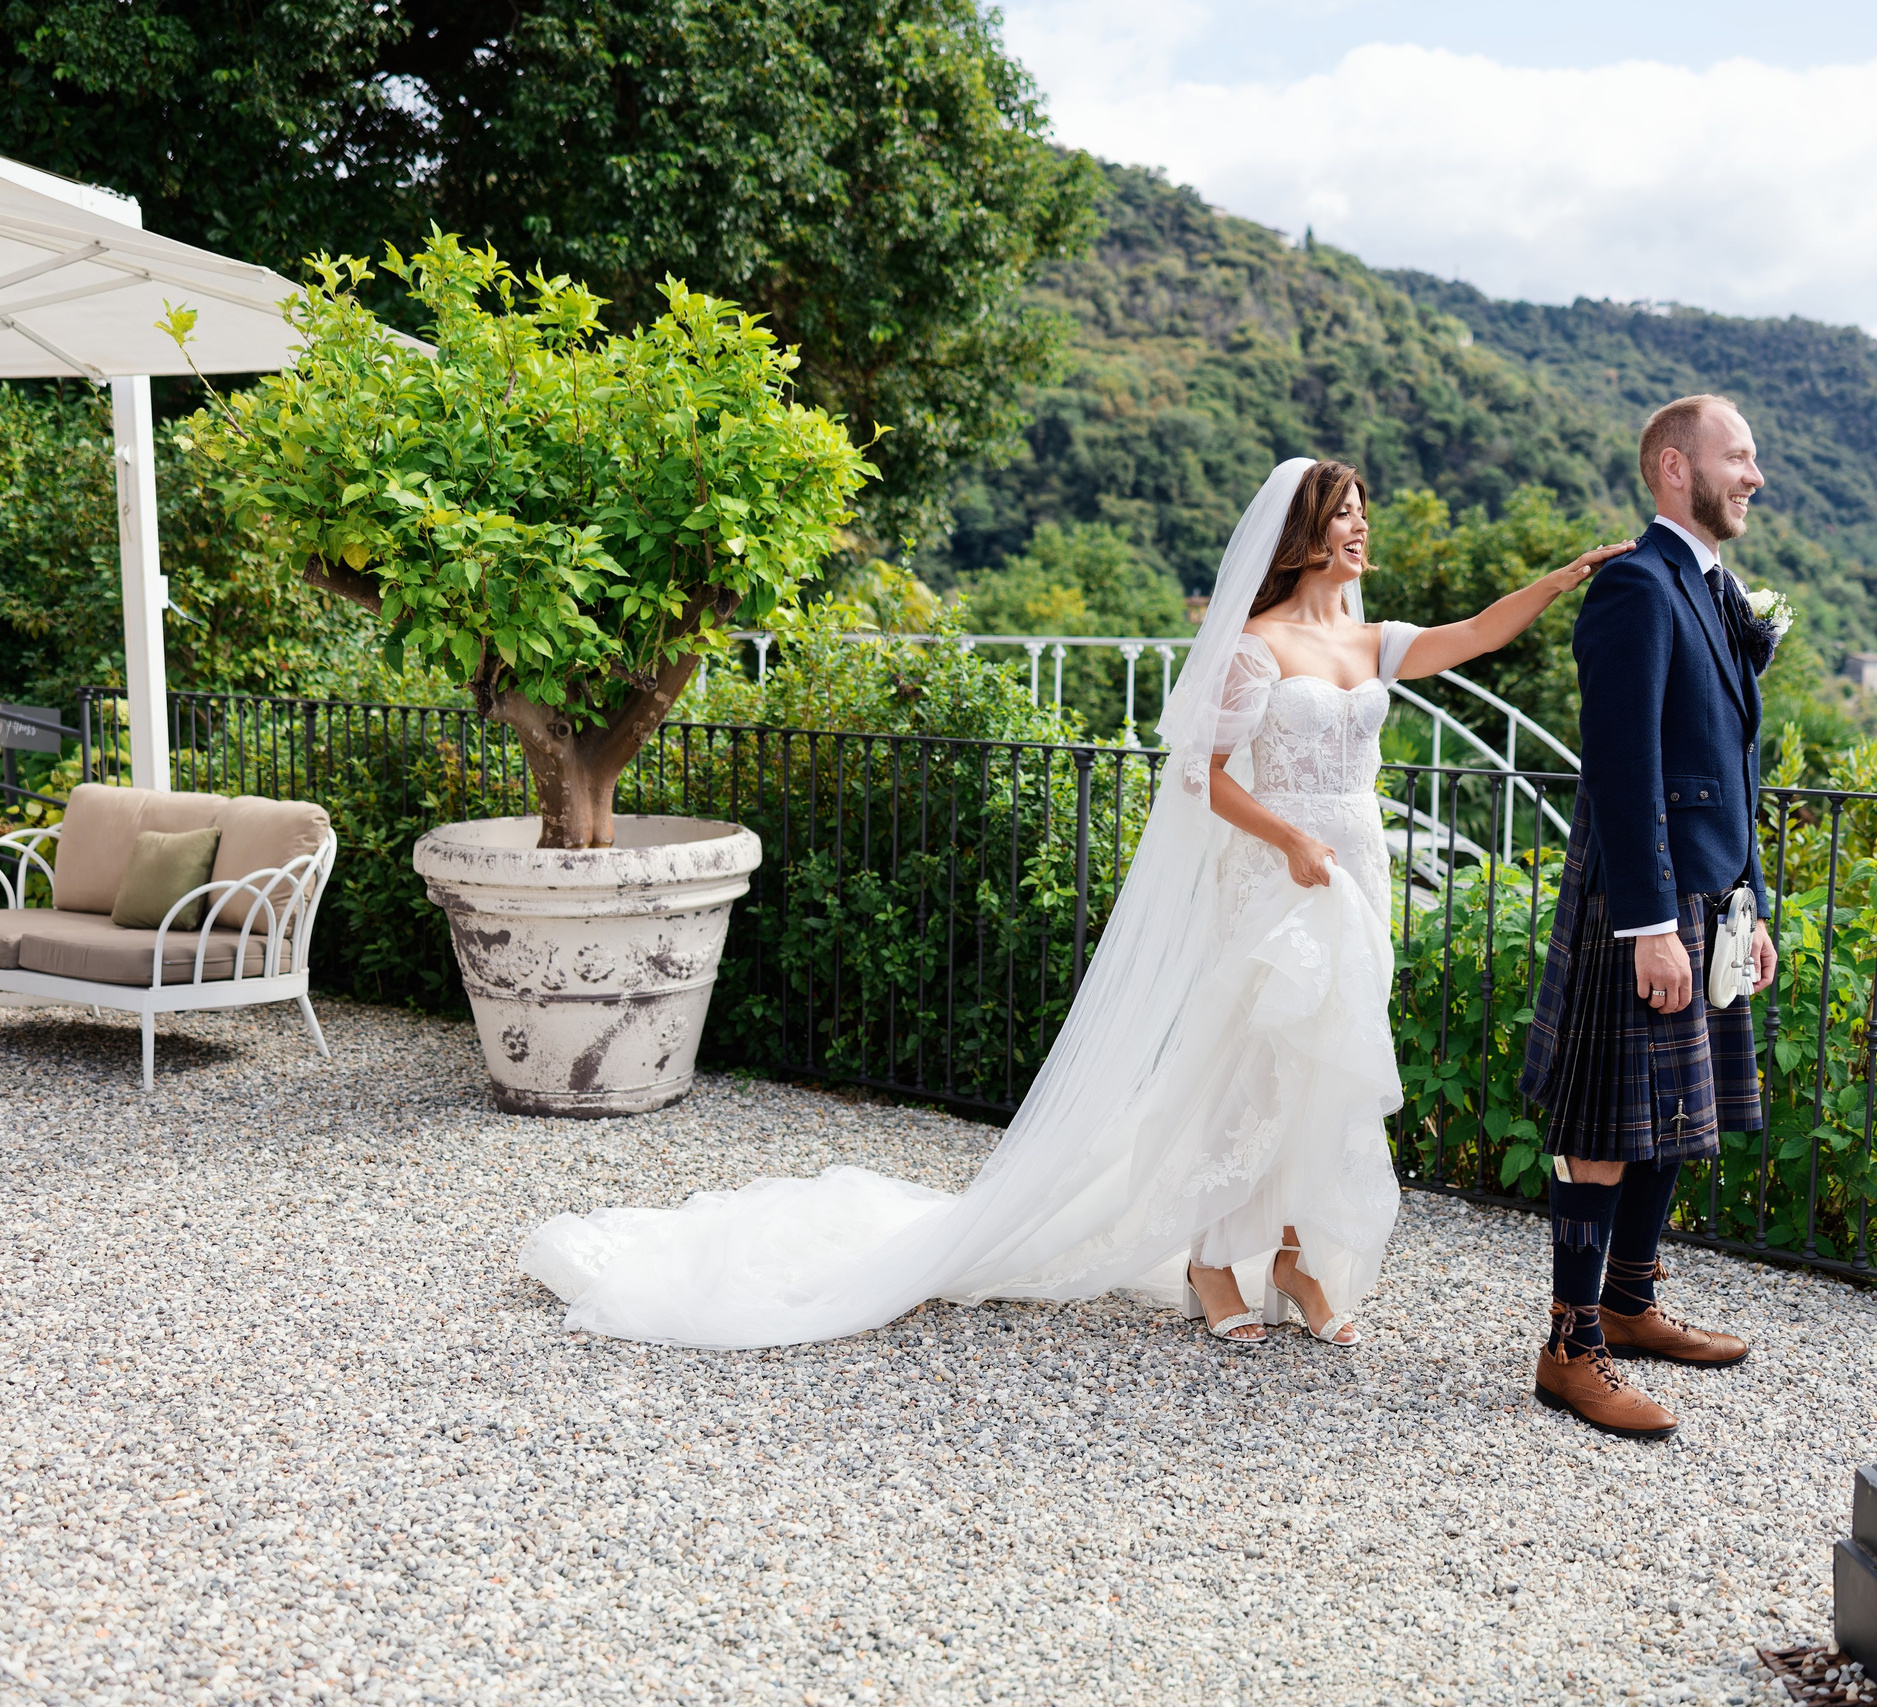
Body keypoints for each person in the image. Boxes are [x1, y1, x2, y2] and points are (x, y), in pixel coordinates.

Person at [517, 457, 1631, 1350]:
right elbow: (1206, 779)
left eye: (1361, 513)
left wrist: (1565, 578)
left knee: (1328, 1063)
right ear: (1301, 534)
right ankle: (1210, 1257)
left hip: (1355, 876)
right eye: (1342, 515)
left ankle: (1299, 1256)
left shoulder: (1369, 641)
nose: (1358, 530)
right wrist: (1288, 835)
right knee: (1244, 1060)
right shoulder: (1254, 646)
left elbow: (1478, 634)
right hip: (1276, 872)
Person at [1518, 393, 1781, 1439]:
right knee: (1607, 1128)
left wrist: (1746, 907)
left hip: (1708, 893)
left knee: (1670, 1116)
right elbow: (1625, 769)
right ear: (1676, 467)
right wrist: (1648, 926)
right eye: (1738, 457)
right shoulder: (1637, 585)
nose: (1753, 476)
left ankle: (1627, 1304)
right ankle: (1568, 1347)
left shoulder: (1707, 588)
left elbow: (1730, 767)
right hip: (1651, 898)